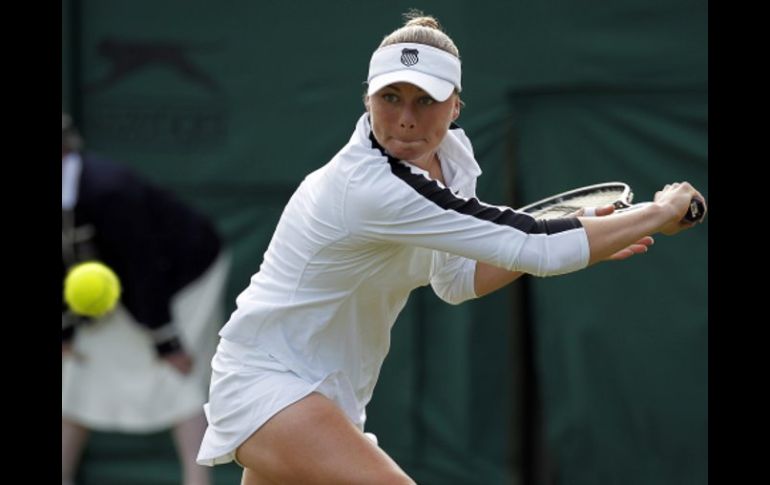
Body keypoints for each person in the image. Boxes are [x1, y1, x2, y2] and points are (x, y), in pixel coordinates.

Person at [195, 12, 706, 484]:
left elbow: (457, 279)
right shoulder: (369, 186)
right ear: (367, 99)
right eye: (390, 97)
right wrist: (660, 213)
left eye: (425, 100)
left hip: (328, 395)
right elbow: (537, 247)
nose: (406, 118)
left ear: (456, 105)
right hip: (270, 384)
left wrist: (590, 235)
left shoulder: (451, 160)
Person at [61, 113, 230, 485]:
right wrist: (66, 330)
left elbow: (144, 268)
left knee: (178, 374)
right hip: (118, 285)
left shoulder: (110, 190)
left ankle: (197, 480)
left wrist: (166, 340)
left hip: (184, 277)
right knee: (73, 374)